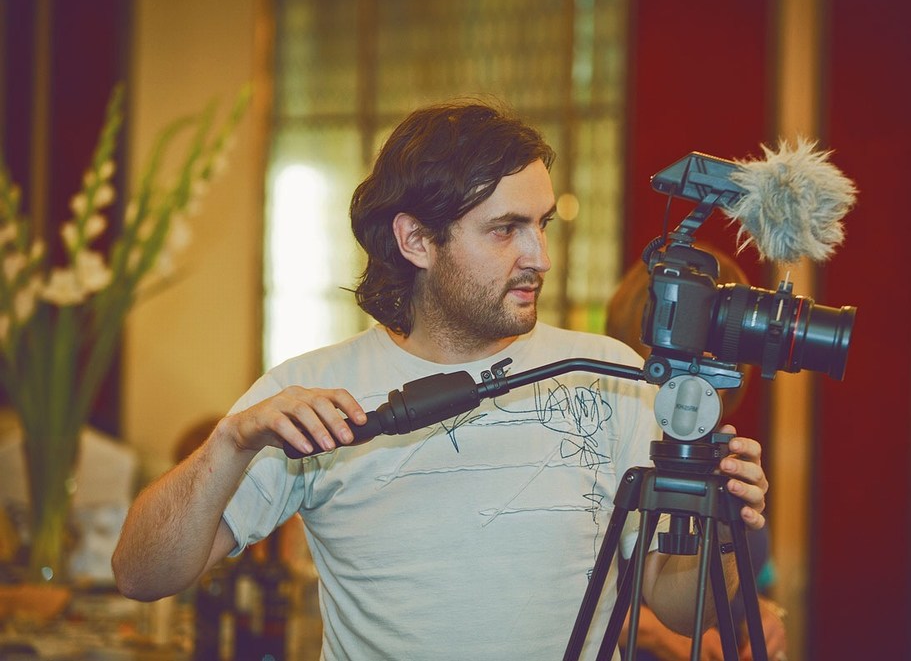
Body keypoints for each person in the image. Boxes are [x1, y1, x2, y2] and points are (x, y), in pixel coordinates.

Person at [112, 101, 769, 660]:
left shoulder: (613, 377)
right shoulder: (311, 390)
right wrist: (228, 443)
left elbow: (681, 607)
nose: (540, 256)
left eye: (542, 224)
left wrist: (726, 527)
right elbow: (141, 575)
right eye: (506, 230)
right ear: (417, 241)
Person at [606, 254, 788, 660]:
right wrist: (658, 633)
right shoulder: (608, 445)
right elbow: (570, 594)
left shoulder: (727, 455)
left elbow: (755, 578)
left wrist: (764, 614)